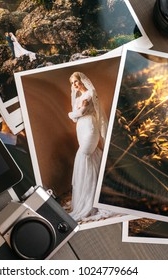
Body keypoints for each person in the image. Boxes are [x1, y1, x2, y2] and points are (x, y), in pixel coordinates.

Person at [67, 72, 109, 222]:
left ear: (82, 81)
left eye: (76, 81)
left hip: (90, 127)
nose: (75, 85)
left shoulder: (90, 93)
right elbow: (75, 117)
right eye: (72, 83)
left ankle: (89, 202)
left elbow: (81, 112)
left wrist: (72, 113)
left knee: (83, 157)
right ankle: (96, 197)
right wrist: (74, 113)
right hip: (81, 129)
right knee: (91, 159)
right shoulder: (78, 98)